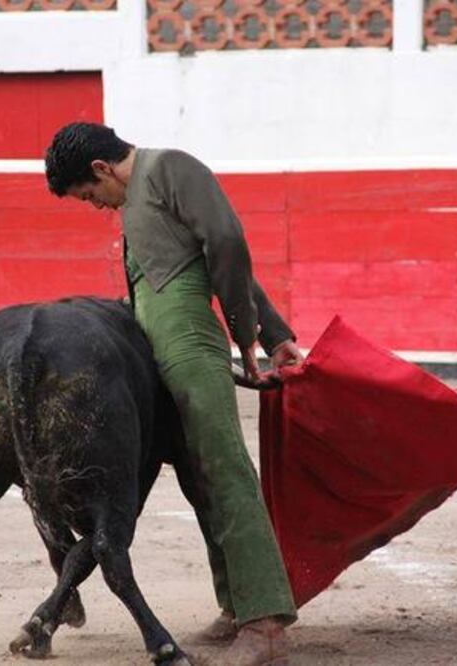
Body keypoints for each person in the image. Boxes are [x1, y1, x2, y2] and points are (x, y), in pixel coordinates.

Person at [45, 122, 304, 666]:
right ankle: (237, 607)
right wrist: (275, 334)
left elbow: (228, 244)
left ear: (101, 169)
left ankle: (266, 624)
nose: (96, 206)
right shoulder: (139, 199)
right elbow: (209, 258)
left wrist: (251, 336)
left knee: (224, 469)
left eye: (92, 196)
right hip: (158, 348)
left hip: (188, 341)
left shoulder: (169, 167)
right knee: (197, 476)